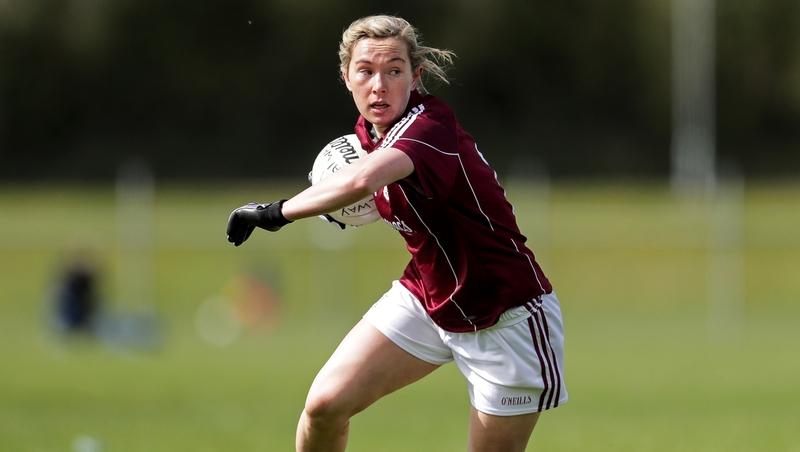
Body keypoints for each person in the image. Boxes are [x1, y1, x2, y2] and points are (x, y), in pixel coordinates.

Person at [226, 14, 567, 452]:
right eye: (365, 71)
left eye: (394, 71)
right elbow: (359, 186)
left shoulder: (429, 128)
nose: (379, 85)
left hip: (503, 313)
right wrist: (336, 204)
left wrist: (274, 213)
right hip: (427, 296)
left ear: (415, 76)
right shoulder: (365, 137)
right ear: (346, 76)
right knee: (324, 405)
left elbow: (360, 183)